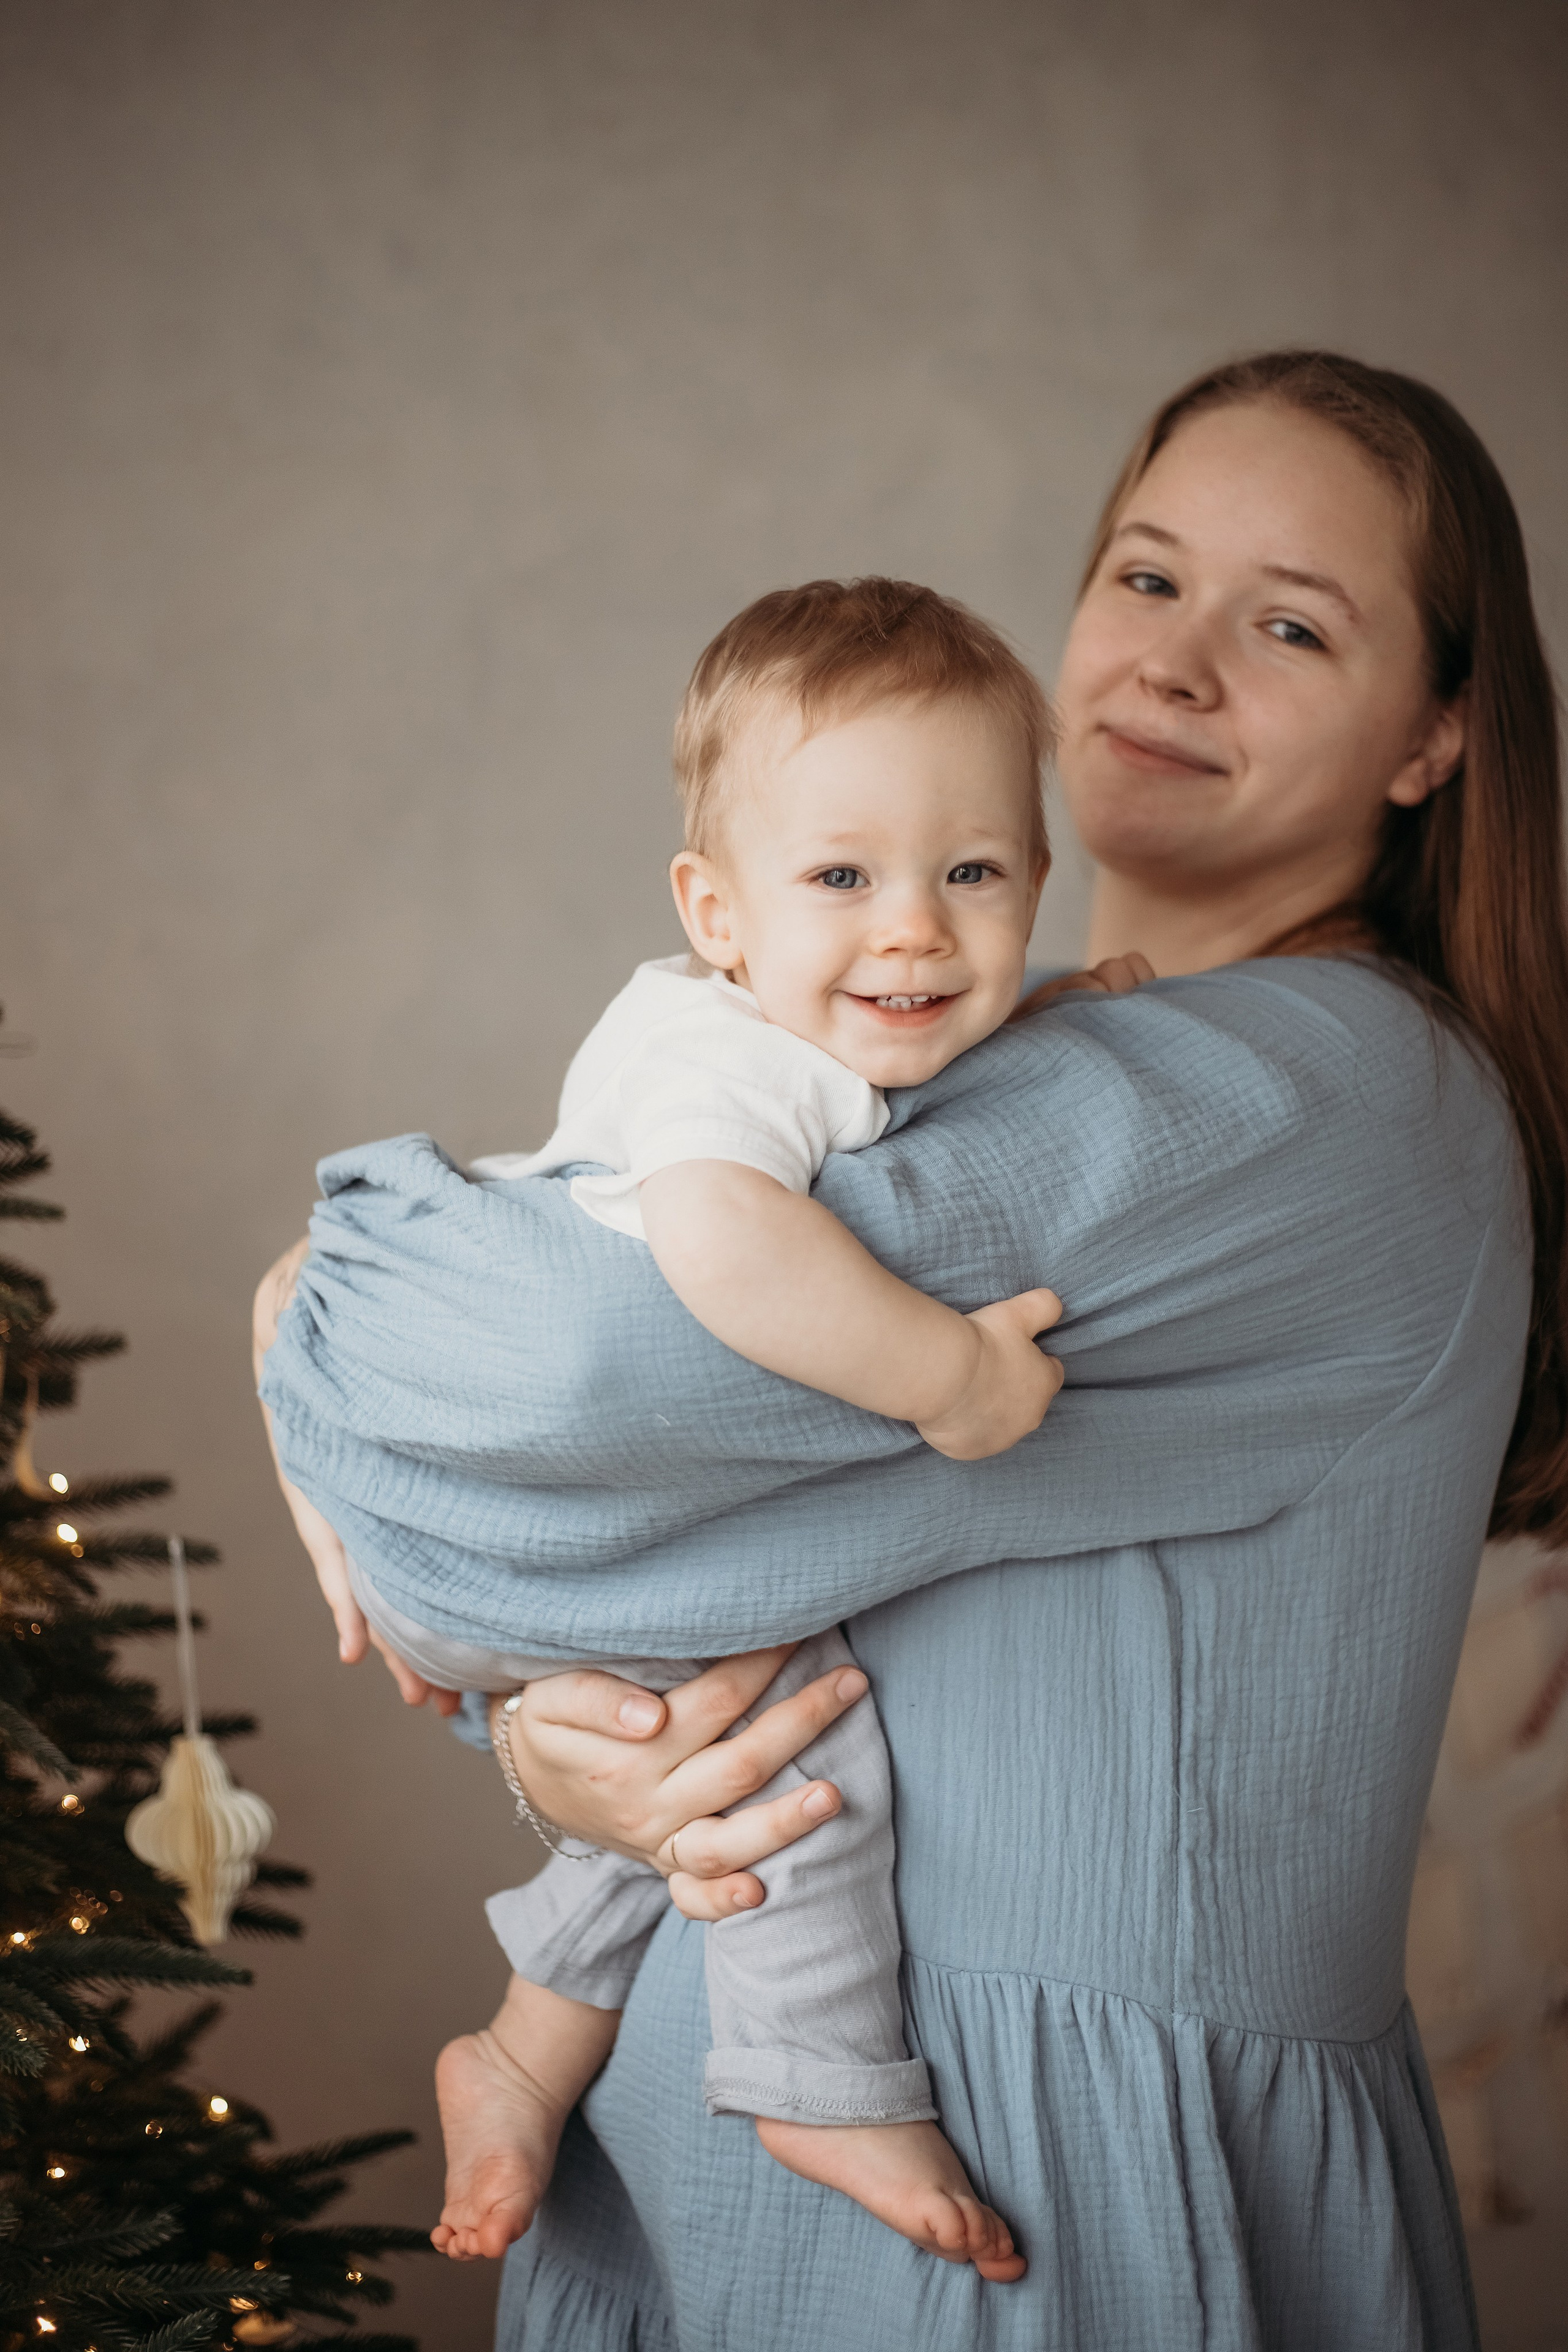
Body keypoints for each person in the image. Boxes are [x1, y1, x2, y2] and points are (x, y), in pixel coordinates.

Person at [259, 350, 1568, 2350]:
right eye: (1146, 579)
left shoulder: (1335, 1095)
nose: (1178, 664)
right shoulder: (929, 1055)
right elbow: (634, 1516)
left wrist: (306, 1320)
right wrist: (571, 1752)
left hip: (1039, 2179)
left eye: (1290, 624)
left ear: (1436, 737)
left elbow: (544, 1393)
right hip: (698, 2119)